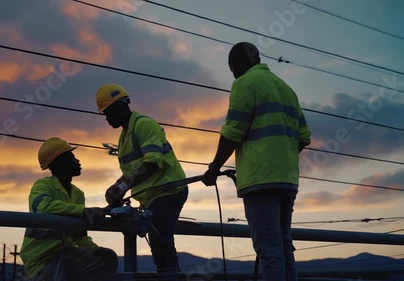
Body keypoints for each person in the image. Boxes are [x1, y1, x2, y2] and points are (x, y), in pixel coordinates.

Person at [202, 42, 311, 281]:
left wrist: (213, 169)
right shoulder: (286, 89)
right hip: (287, 180)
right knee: (283, 248)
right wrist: (281, 156)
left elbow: (233, 131)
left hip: (260, 179)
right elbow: (304, 137)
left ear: (237, 64)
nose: (233, 74)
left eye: (232, 69)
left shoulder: (245, 83)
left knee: (269, 251)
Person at [96, 83, 189, 281]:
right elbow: (133, 171)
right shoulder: (125, 137)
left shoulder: (143, 125)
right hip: (154, 196)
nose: (106, 118)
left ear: (119, 107)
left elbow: (152, 163)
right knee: (160, 242)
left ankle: (168, 277)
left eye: (107, 112)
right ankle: (171, 276)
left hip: (168, 190)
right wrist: (117, 186)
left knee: (159, 240)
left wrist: (121, 188)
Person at [20, 137, 120, 281]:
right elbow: (43, 206)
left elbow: (78, 236)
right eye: (72, 157)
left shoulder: (78, 194)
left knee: (106, 258)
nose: (77, 161)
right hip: (41, 261)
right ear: (60, 163)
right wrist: (83, 211)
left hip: (65, 255)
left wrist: (94, 250)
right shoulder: (42, 186)